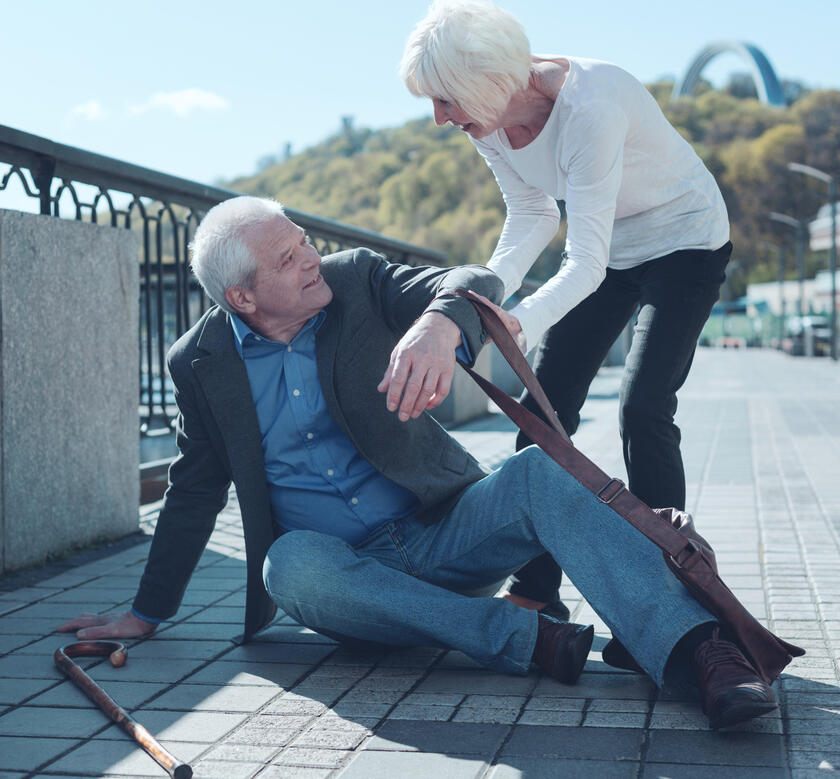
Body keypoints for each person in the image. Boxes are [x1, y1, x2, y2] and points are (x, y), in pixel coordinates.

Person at [58, 197, 774, 729]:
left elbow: (472, 280)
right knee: (288, 564)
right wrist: (148, 612)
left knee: (534, 474)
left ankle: (696, 651)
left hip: (448, 530)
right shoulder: (199, 361)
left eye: (303, 241)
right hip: (346, 578)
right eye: (286, 259)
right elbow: (193, 486)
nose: (309, 258)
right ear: (242, 296)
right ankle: (527, 639)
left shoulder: (355, 279)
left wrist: (438, 322)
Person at [399, 0, 733, 620]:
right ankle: (535, 588)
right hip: (609, 249)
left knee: (644, 407)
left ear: (488, 80)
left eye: (446, 100)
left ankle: (678, 599)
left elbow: (585, 263)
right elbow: (532, 215)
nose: (440, 119)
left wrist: (521, 321)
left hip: (685, 240)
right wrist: (485, 298)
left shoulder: (592, 104)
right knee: (543, 415)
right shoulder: (490, 119)